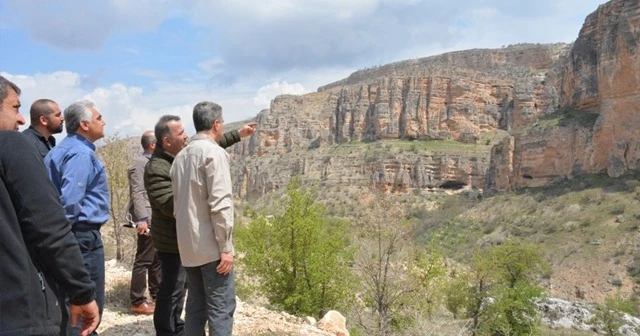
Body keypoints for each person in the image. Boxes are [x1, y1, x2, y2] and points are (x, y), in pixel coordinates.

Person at [0, 76, 100, 336]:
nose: (21, 119)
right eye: (15, 107)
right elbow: (48, 226)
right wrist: (82, 291)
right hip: (18, 313)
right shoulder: (11, 145)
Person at [144, 115, 256, 336]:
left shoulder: (179, 157)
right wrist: (196, 194)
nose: (186, 136)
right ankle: (167, 331)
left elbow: (203, 149)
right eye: (180, 133)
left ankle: (179, 329)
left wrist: (238, 135)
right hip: (172, 241)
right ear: (167, 141)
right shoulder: (157, 167)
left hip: (187, 239)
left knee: (193, 300)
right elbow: (171, 205)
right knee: (174, 292)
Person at [171, 102, 237, 336]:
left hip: (188, 247)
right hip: (211, 248)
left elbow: (178, 205)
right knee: (221, 307)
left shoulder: (180, 157)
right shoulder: (214, 154)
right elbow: (220, 205)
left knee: (196, 308)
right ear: (216, 124)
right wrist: (226, 247)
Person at [44, 100, 109, 336]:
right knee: (85, 305)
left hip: (72, 233)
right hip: (81, 235)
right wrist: (64, 237)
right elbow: (70, 201)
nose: (104, 122)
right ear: (84, 124)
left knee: (71, 303)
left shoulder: (59, 150)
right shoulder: (80, 154)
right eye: (99, 117)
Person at [127, 130, 162, 315]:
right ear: (153, 145)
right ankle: (137, 301)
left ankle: (157, 296)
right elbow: (138, 192)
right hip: (146, 219)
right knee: (144, 259)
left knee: (156, 259)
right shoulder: (140, 164)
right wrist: (142, 219)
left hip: (157, 219)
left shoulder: (154, 163)